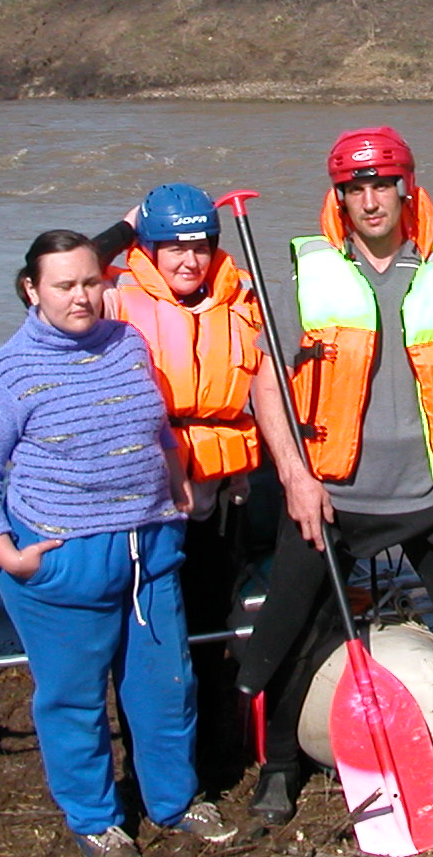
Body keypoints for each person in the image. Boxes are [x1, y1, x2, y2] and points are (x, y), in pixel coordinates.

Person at [235, 126, 433, 823]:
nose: (371, 199)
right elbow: (268, 383)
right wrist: (293, 474)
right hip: (333, 494)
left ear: (407, 189)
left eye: (384, 184)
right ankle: (281, 770)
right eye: (357, 187)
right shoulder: (308, 271)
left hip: (432, 489)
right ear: (340, 197)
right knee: (300, 630)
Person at [0, 230, 236, 857]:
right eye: (64, 285)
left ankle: (176, 803)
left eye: (90, 281)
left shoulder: (127, 343)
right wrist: (7, 553)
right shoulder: (1, 375)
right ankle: (94, 820)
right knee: (74, 706)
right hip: (58, 566)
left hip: (149, 558)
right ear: (32, 290)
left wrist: (176, 476)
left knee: (166, 692)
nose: (81, 297)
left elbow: (156, 427)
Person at [95, 185, 265, 750]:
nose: (189, 260)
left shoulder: (240, 293)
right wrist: (120, 230)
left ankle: (215, 727)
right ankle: (152, 735)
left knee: (211, 608)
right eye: (172, 248)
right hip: (147, 491)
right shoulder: (114, 297)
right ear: (149, 249)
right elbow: (40, 284)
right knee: (151, 625)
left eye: (199, 246)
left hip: (220, 485)